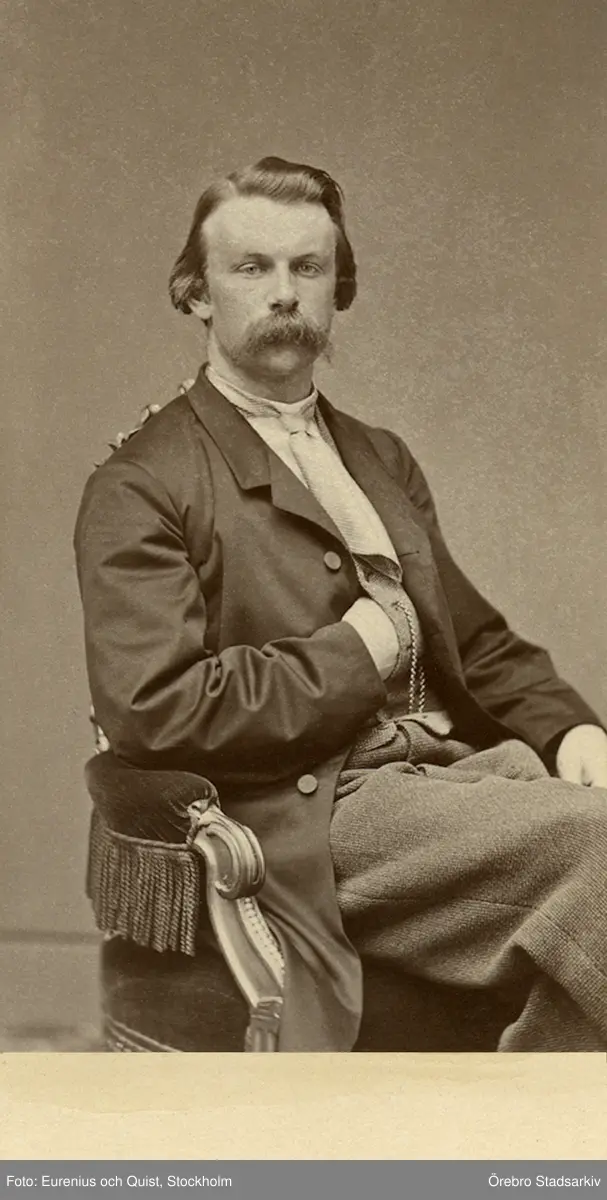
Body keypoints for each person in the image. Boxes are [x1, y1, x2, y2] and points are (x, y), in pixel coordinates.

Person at [74, 156, 607, 1053]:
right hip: (305, 811)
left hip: (438, 780)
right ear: (196, 293)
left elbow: (472, 640)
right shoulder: (141, 484)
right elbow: (155, 711)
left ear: (337, 289)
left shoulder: (376, 456)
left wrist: (570, 729)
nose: (284, 292)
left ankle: (523, 1112)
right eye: (251, 267)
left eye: (308, 267)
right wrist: (356, 651)